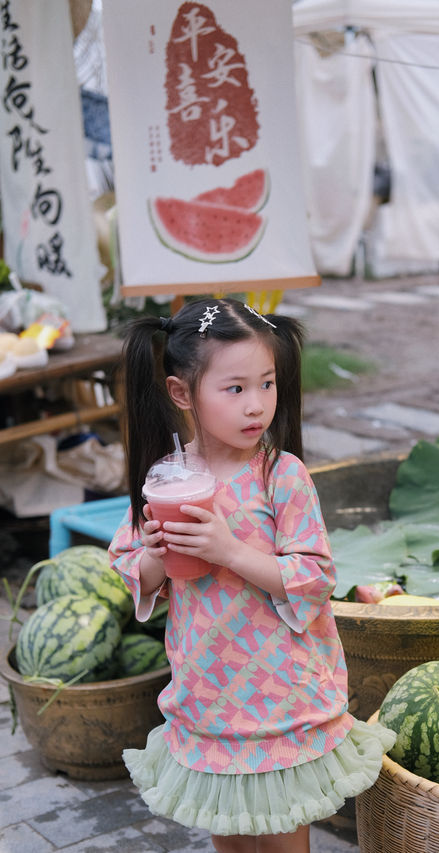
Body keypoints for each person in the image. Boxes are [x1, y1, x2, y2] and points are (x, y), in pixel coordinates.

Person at [108, 297, 395, 852]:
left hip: (280, 700)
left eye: (267, 384)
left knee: (285, 840)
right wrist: (153, 556)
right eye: (235, 388)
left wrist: (229, 550)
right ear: (181, 393)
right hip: (209, 697)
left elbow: (314, 576)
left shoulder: (281, 476)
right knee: (232, 840)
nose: (256, 405)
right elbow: (133, 574)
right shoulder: (167, 479)